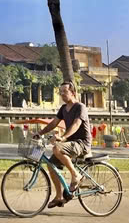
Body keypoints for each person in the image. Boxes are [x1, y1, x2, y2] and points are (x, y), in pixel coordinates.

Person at [35, 81, 92, 209]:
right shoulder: (63, 109)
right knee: (51, 164)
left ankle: (75, 175)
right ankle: (59, 196)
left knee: (57, 148)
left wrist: (63, 137)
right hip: (70, 144)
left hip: (81, 143)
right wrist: (40, 132)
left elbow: (76, 125)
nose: (62, 94)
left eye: (64, 92)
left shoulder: (80, 107)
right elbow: (53, 123)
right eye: (60, 92)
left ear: (73, 92)